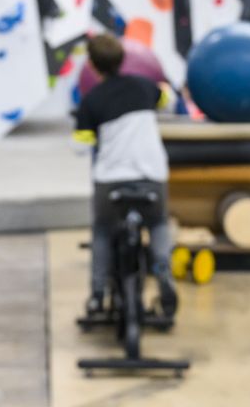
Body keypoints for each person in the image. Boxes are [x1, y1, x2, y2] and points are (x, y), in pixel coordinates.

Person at [74, 33, 178, 318]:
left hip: (111, 182)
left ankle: (97, 295)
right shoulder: (145, 87)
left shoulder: (91, 101)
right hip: (152, 177)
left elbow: (80, 146)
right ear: (123, 59)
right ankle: (164, 276)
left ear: (92, 67)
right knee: (157, 223)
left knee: (103, 231)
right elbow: (168, 99)